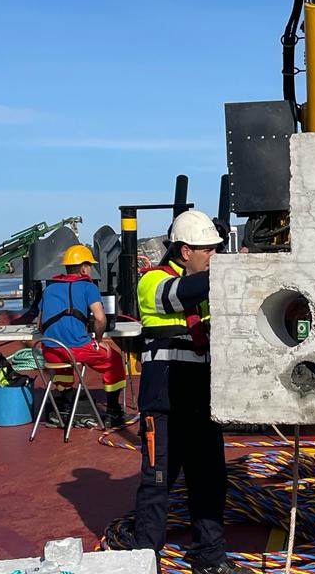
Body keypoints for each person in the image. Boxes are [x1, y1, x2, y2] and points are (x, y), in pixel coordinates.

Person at [132, 210, 248, 574]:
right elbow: (180, 295)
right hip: (164, 403)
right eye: (208, 250)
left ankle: (210, 559)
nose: (214, 256)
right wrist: (228, 270)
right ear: (185, 252)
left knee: (210, 481)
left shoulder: (206, 289)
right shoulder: (153, 282)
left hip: (202, 402)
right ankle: (143, 562)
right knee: (157, 484)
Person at [34, 244, 126, 428]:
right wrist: (98, 340)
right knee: (114, 359)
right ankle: (113, 411)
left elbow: (39, 325)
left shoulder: (49, 289)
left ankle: (69, 402)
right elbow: (100, 318)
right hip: (77, 349)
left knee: (63, 365)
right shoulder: (88, 287)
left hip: (50, 351)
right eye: (89, 266)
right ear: (84, 268)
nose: (90, 269)